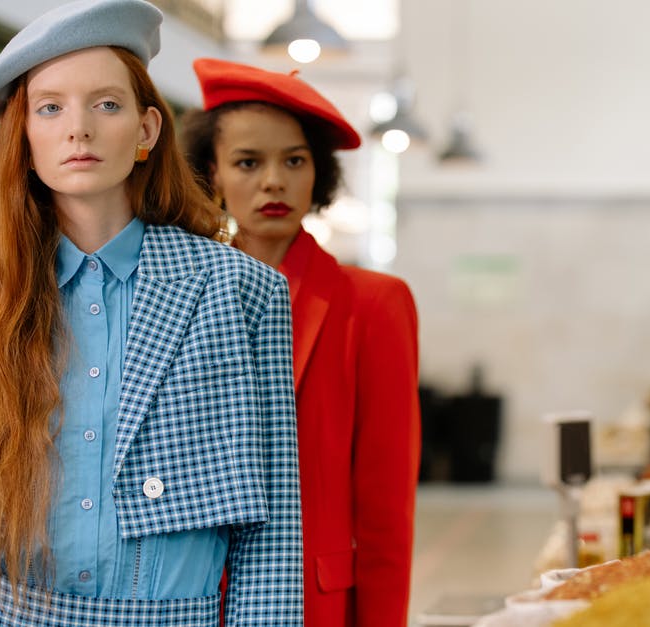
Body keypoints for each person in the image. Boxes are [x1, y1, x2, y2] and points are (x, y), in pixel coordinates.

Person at [0, 2, 302, 625]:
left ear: (146, 131)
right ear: (24, 140)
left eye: (106, 104)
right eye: (50, 107)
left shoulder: (241, 292)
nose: (77, 128)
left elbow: (272, 533)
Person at [182, 58, 421, 627]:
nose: (273, 181)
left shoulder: (373, 304)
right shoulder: (182, 297)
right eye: (248, 162)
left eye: (294, 160)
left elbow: (386, 506)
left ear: (319, 174)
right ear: (212, 173)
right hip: (190, 598)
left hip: (313, 603)